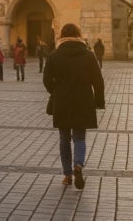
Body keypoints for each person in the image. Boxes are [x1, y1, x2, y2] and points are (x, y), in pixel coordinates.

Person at [43, 22, 105, 189]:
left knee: (64, 139)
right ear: (78, 36)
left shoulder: (54, 55)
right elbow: (98, 81)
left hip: (62, 101)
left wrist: (55, 92)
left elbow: (46, 80)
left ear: (62, 36)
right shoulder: (89, 55)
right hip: (83, 101)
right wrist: (99, 101)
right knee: (79, 137)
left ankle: (67, 175)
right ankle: (78, 165)